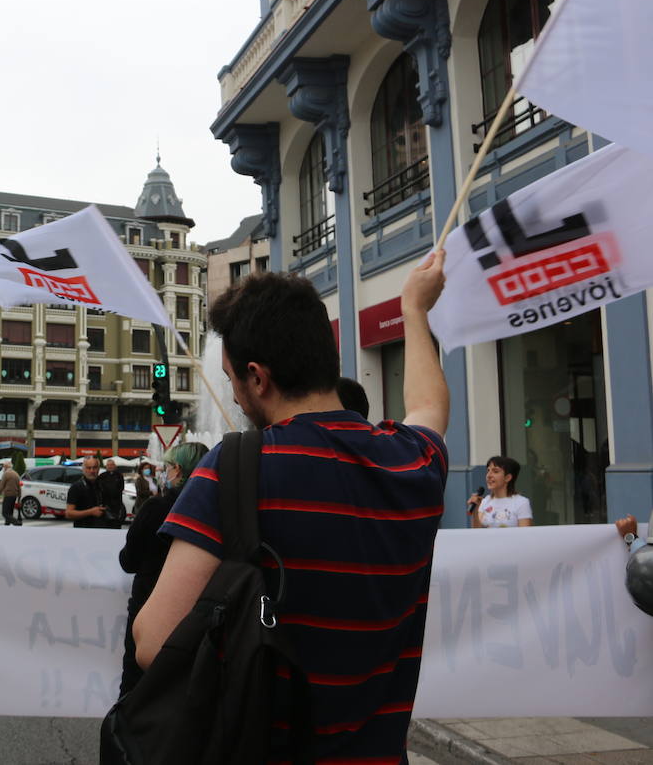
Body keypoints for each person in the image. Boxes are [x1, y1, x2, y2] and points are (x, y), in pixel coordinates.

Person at [135, 252, 450, 761]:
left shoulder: (235, 469)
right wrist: (414, 311)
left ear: (257, 377)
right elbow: (430, 407)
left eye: (232, 377)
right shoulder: (414, 464)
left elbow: (155, 642)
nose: (233, 395)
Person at [117, 444, 200, 695]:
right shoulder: (213, 509)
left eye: (166, 468)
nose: (163, 472)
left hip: (149, 608)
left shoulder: (156, 509)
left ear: (178, 470)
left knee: (136, 685)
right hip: (197, 614)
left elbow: (128, 561)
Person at [469, 456, 533, 528]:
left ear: (507, 477)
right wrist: (475, 509)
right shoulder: (485, 501)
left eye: (495, 471)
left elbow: (525, 534)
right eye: (488, 470)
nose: (489, 475)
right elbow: (477, 531)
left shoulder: (521, 502)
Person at [65, 457, 119, 528]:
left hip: (103, 530)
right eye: (89, 468)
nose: (92, 471)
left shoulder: (103, 485)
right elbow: (69, 513)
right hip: (83, 531)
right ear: (83, 469)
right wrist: (90, 512)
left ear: (99, 469)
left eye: (94, 467)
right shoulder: (76, 487)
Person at [0, 458, 22, 526]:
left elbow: (1, 486)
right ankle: (7, 525)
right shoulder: (16, 474)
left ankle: (17, 522)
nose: (3, 468)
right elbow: (19, 487)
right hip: (14, 496)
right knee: (10, 513)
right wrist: (19, 497)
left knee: (5, 513)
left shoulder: (6, 474)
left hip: (8, 495)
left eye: (4, 467)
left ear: (6, 467)